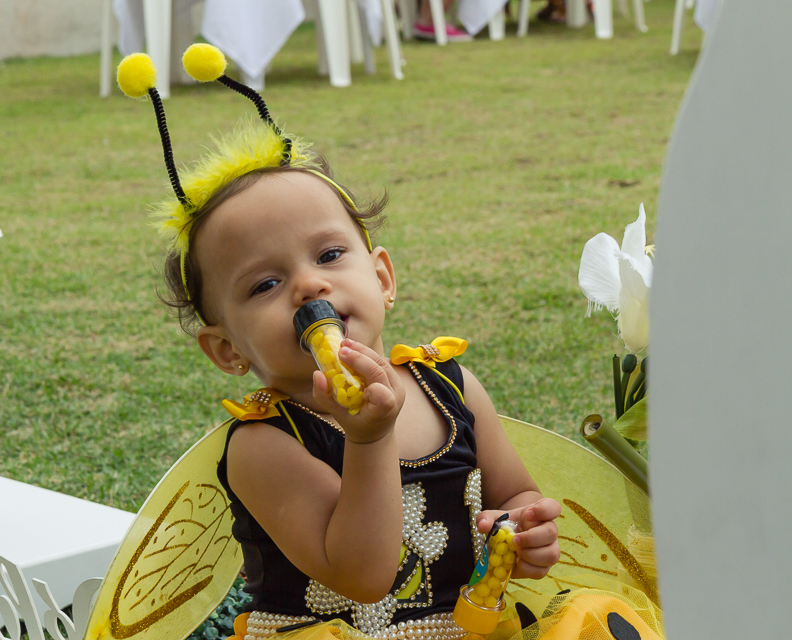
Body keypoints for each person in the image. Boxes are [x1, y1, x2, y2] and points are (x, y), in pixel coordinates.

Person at [116, 45, 664, 640]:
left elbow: (516, 492)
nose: (308, 285)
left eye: (329, 255)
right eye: (265, 284)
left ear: (382, 279)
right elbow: (363, 573)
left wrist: (525, 528)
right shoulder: (264, 446)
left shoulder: (449, 386)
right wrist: (368, 435)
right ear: (228, 350)